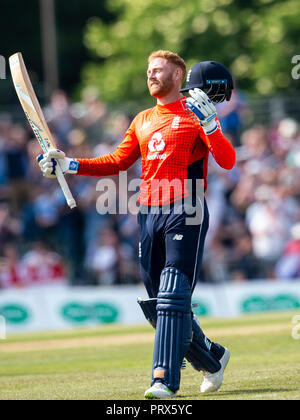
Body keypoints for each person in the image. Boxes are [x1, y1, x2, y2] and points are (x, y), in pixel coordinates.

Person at [37, 51, 236, 399]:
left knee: (174, 292)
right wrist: (68, 164)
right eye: (148, 71)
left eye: (158, 70)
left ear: (178, 74)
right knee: (158, 304)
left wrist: (212, 126)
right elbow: (117, 160)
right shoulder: (143, 119)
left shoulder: (195, 114)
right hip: (148, 211)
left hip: (186, 205)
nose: (151, 75)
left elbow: (228, 160)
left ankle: (163, 380)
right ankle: (213, 357)